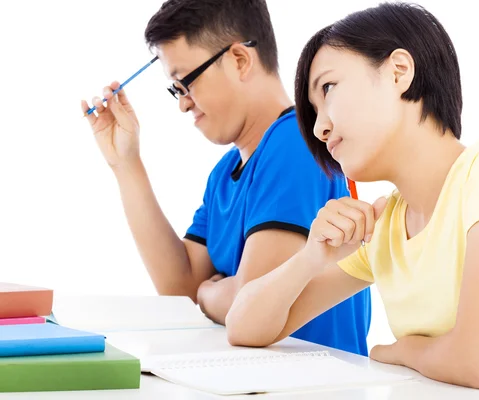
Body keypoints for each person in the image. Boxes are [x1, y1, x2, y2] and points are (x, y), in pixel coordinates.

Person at [225, 2, 479, 399]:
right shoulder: (385, 225)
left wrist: (400, 351)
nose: (319, 127)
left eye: (328, 89)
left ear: (398, 71)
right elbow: (244, 327)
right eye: (313, 112)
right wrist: (309, 258)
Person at [80, 0, 371, 356]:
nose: (183, 104)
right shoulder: (224, 173)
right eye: (175, 90)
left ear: (239, 59)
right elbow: (180, 289)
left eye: (184, 83)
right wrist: (126, 164)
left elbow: (245, 301)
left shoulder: (294, 144)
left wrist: (208, 292)